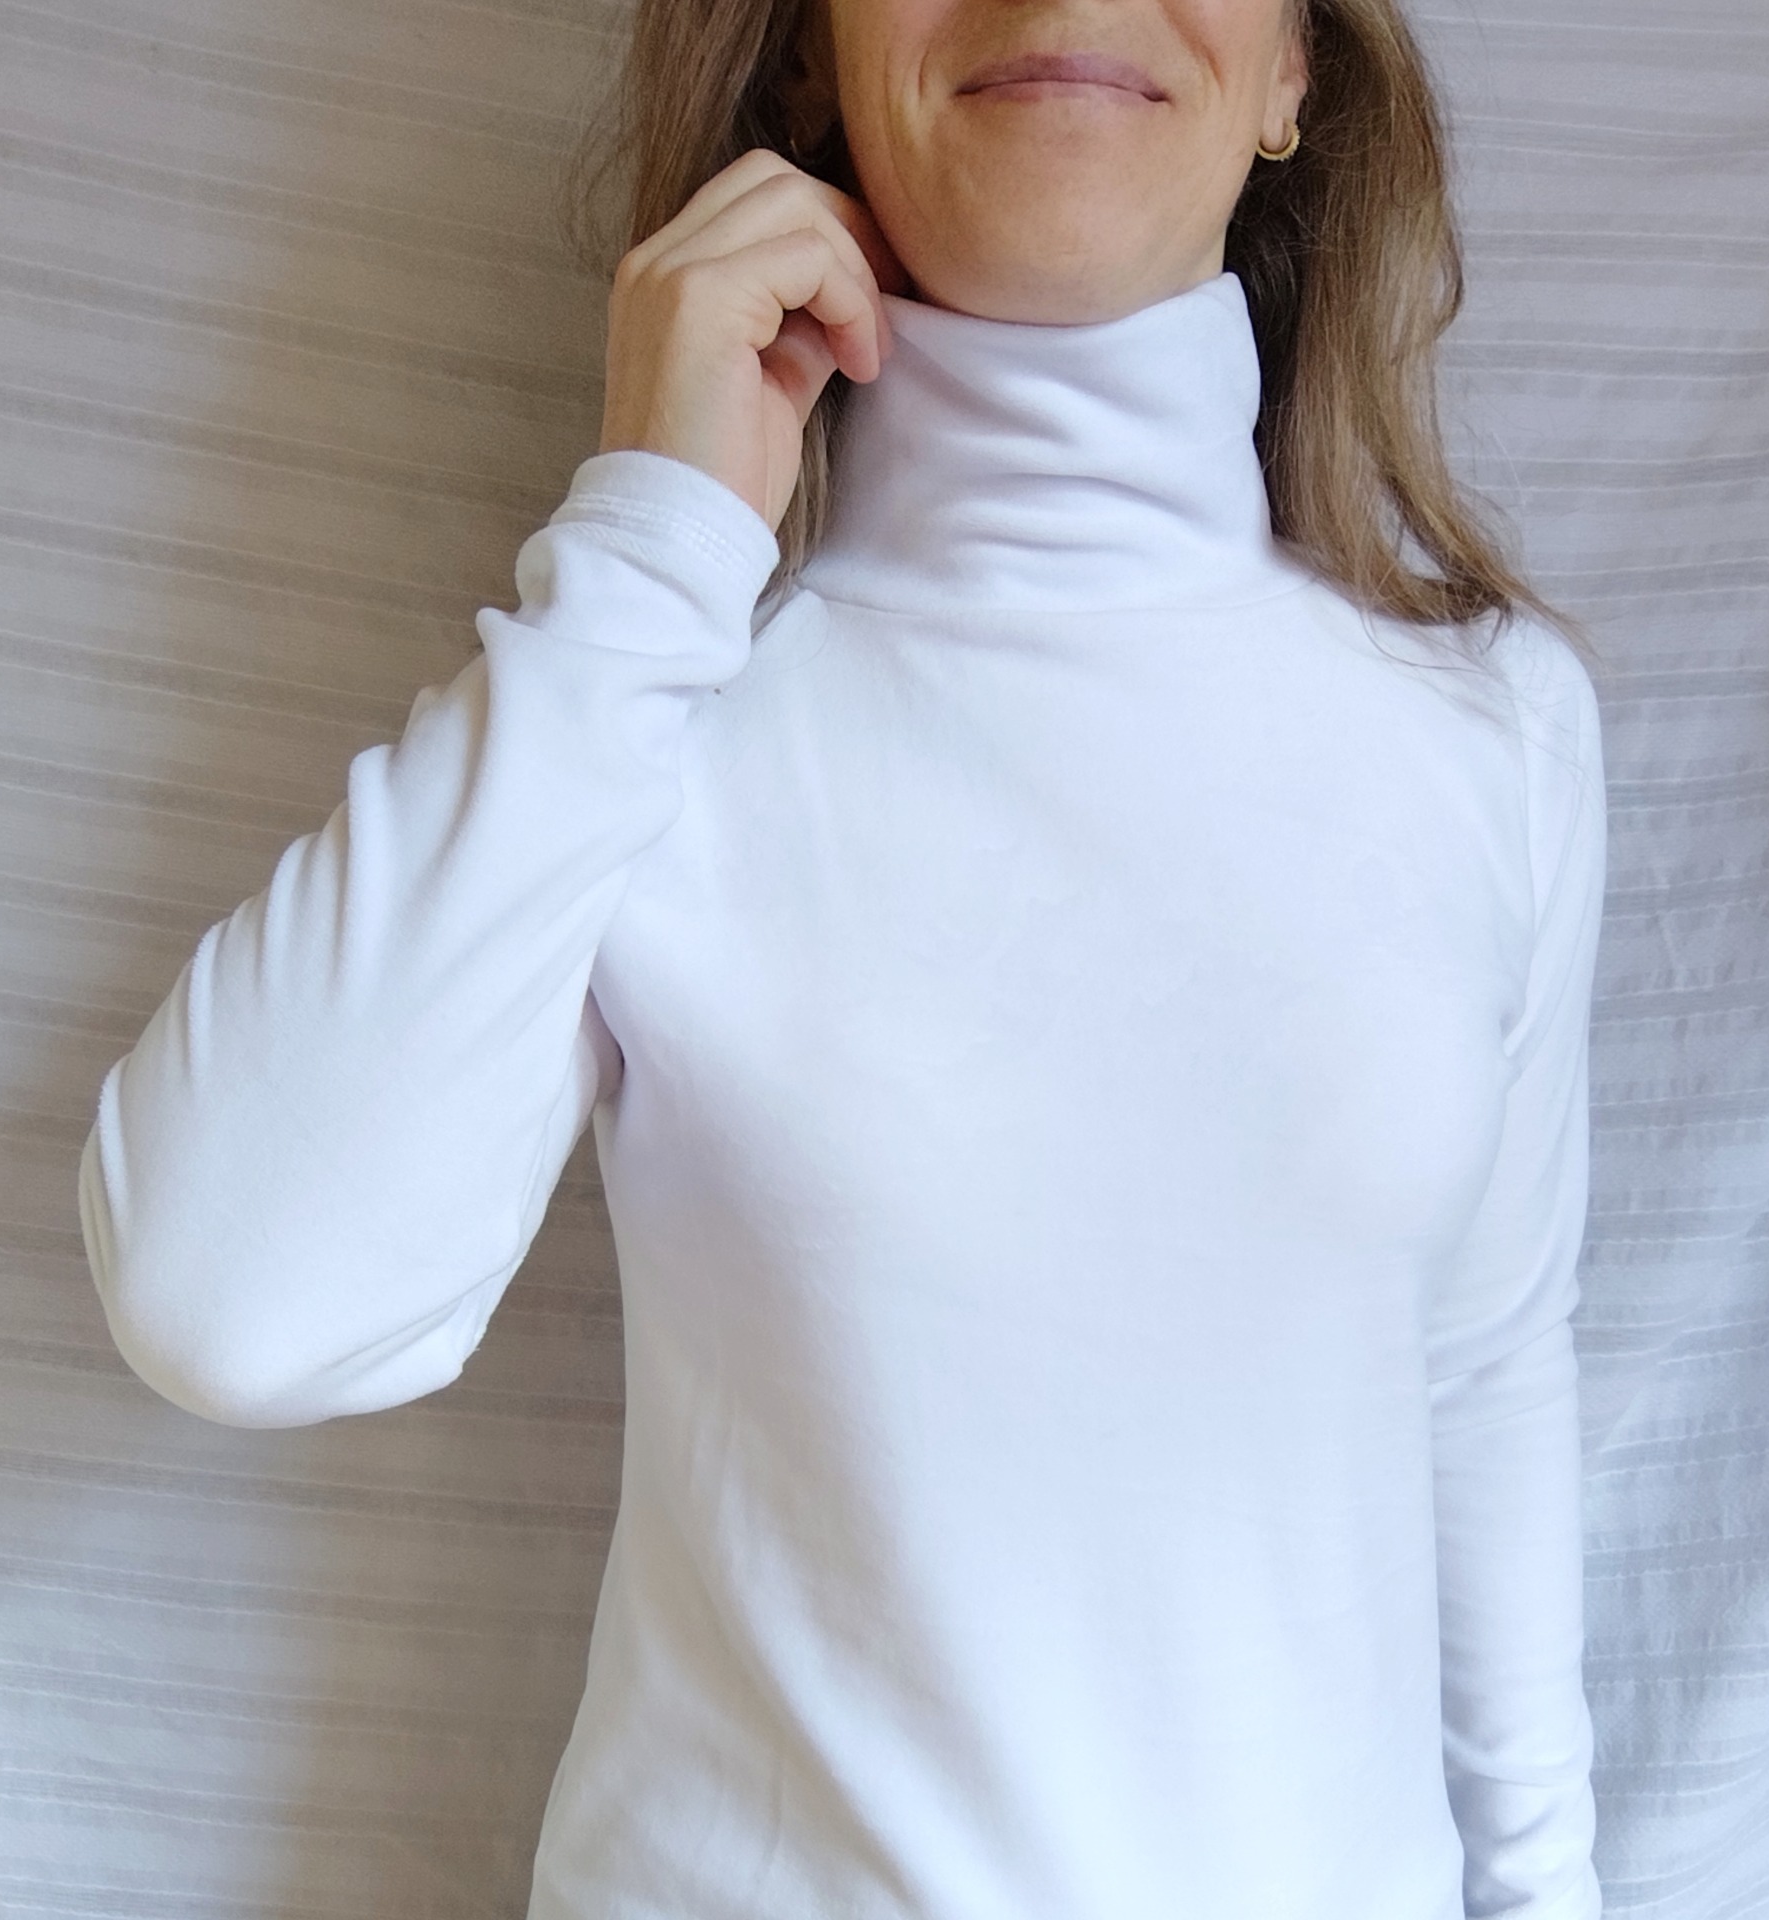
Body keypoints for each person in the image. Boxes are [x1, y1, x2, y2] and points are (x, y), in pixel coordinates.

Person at [78, 0, 1609, 1914]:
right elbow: (230, 1304)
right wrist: (649, 554)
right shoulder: (638, 705)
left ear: (1295, 68)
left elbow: (1483, 1371)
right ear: (806, 61)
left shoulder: (1495, 729)